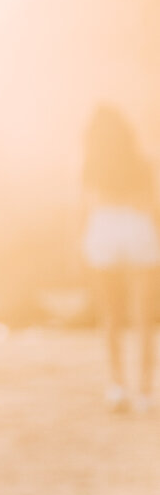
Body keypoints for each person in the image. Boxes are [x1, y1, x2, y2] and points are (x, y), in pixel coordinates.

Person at [83, 103, 159, 413]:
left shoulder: (91, 163)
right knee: (144, 319)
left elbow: (82, 205)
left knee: (112, 318)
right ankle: (144, 391)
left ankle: (117, 387)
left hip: (104, 227)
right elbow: (152, 202)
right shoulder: (141, 161)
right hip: (138, 226)